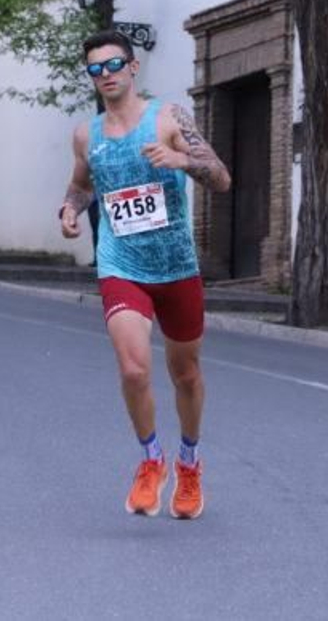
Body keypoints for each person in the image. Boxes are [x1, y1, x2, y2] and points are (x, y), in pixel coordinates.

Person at [59, 29, 232, 521]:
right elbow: (80, 187)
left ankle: (190, 463)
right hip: (122, 263)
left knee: (186, 373)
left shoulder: (168, 118)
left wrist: (181, 159)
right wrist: (70, 211)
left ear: (133, 68)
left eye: (114, 65)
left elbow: (221, 177)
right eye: (95, 69)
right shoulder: (85, 135)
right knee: (134, 369)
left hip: (176, 264)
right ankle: (151, 459)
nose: (106, 75)